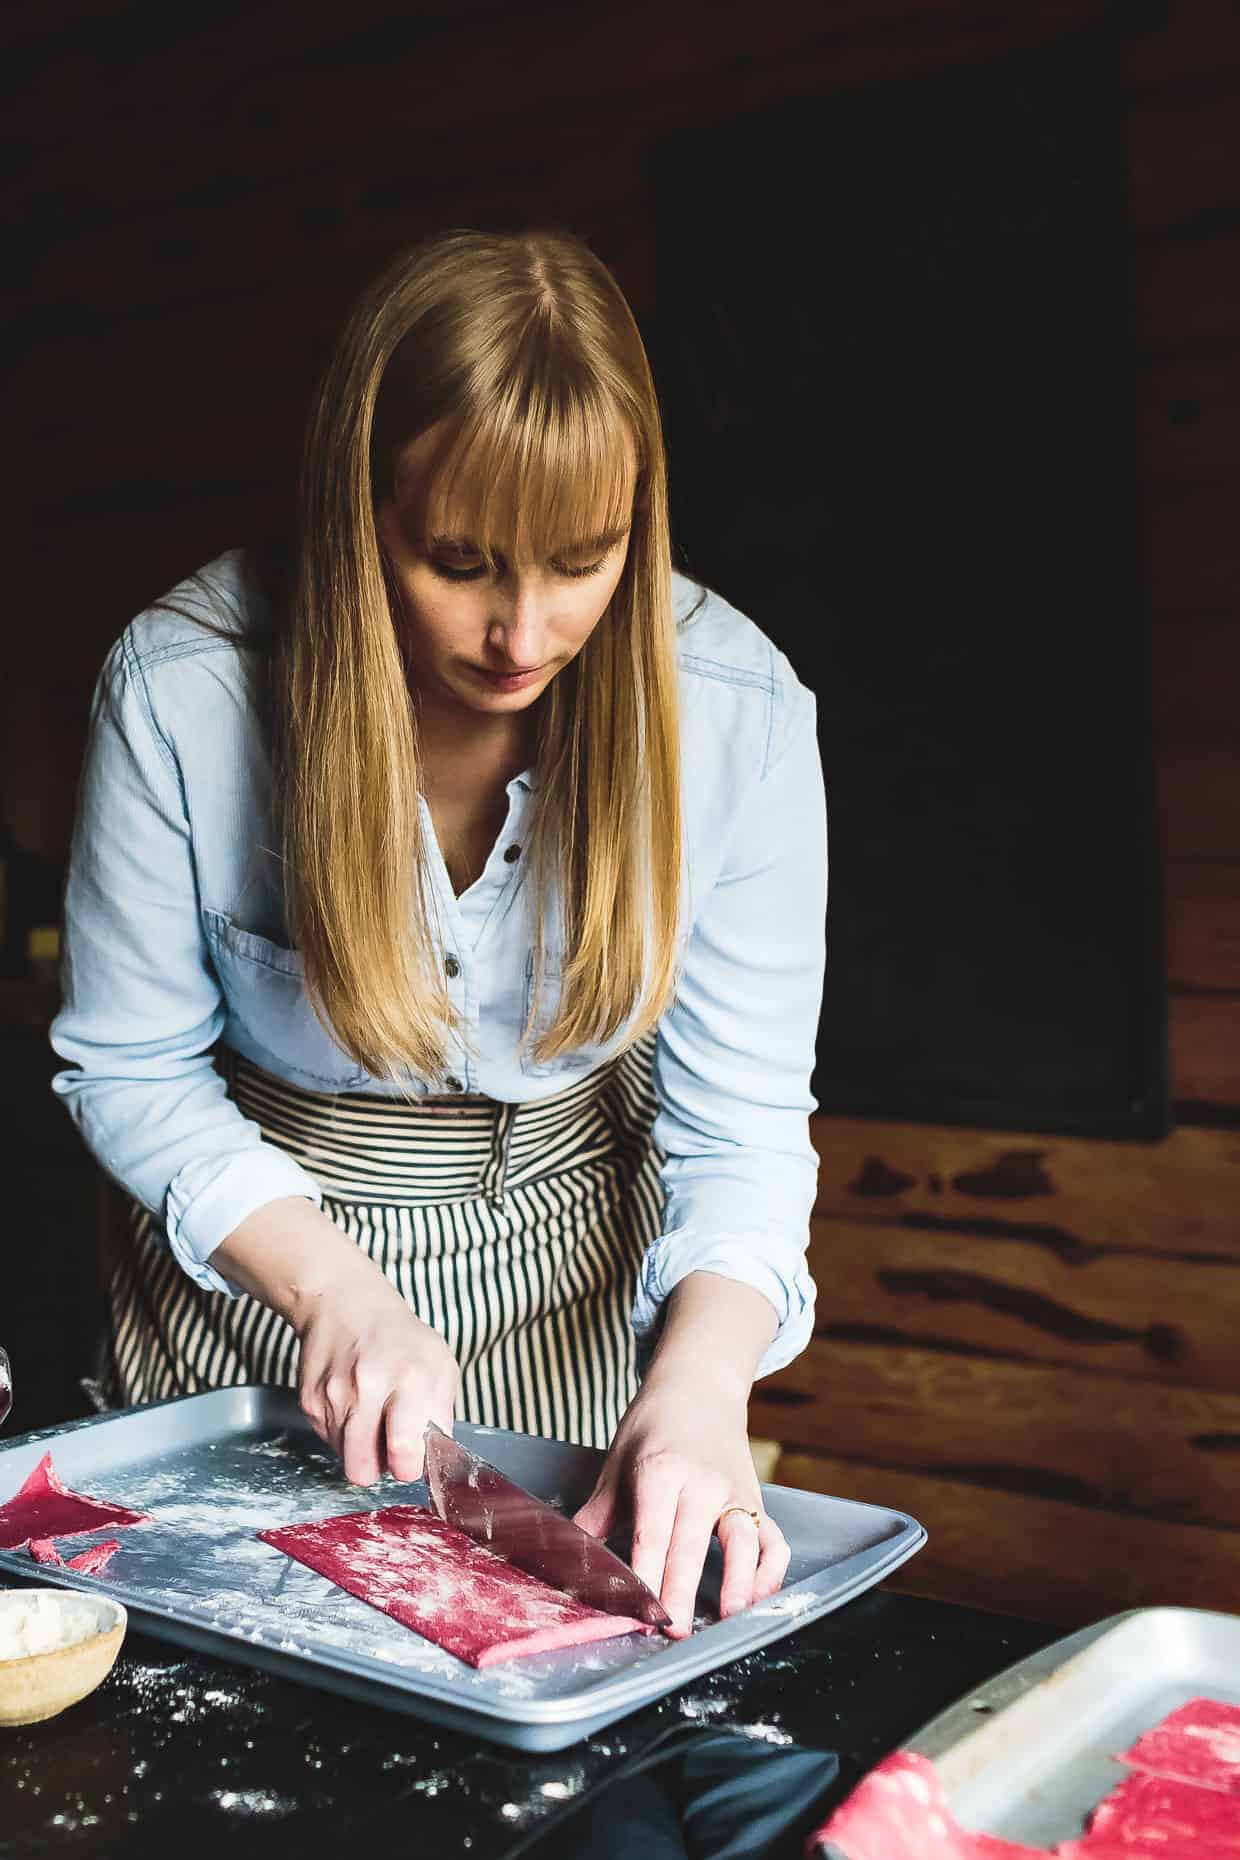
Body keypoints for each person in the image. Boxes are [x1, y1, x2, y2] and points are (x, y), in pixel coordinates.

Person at [50, 228, 828, 1636]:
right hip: (257, 1283)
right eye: (459, 561)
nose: (522, 634)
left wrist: (703, 1391)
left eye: (583, 561)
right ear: (362, 513)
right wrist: (335, 1293)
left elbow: (745, 1125)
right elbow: (131, 1067)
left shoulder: (740, 713)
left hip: (570, 1281)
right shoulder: (185, 693)